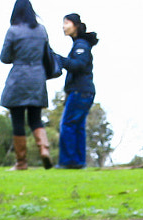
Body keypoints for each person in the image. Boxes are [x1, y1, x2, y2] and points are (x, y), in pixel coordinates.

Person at [0, 0, 53, 170]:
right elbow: (46, 55)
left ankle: (21, 162)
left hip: (19, 77)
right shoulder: (41, 30)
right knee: (36, 118)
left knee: (18, 121)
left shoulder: (13, 31)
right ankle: (44, 149)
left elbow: (4, 57)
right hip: (37, 77)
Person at [54, 14, 98, 169]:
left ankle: (68, 162)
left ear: (75, 25)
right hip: (84, 91)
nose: (63, 26)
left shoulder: (81, 45)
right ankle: (79, 162)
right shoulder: (80, 44)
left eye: (66, 22)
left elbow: (78, 65)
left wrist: (58, 59)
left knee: (68, 124)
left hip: (80, 91)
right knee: (77, 126)